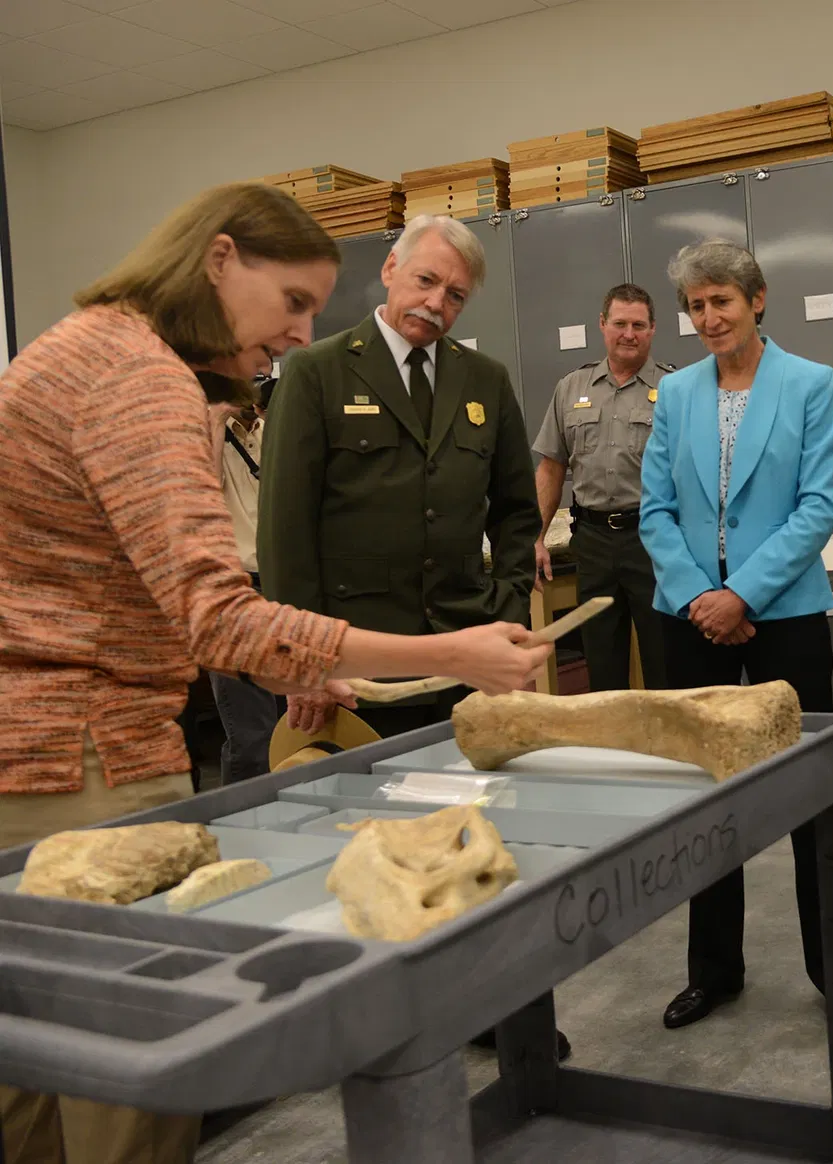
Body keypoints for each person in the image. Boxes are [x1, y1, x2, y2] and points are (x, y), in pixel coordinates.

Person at [0, 182, 547, 1164]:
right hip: (77, 757)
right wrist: (451, 654)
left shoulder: (89, 343)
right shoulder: (138, 377)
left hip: (35, 744)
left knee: (33, 1076)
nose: (297, 333)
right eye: (290, 301)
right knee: (133, 1070)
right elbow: (217, 609)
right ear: (219, 261)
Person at [639, 240, 833, 1032]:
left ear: (757, 299)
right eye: (696, 306)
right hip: (692, 620)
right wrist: (702, 595)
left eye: (721, 302)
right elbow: (655, 512)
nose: (708, 318)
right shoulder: (674, 396)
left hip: (785, 618)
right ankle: (714, 970)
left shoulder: (808, 385)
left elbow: (816, 507)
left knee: (812, 798)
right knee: (704, 798)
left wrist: (742, 593)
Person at [258, 214, 541, 738]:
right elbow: (284, 531)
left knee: (476, 806)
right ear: (391, 268)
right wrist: (303, 662)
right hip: (357, 663)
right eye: (427, 281)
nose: (437, 304)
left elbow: (517, 513)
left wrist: (509, 614)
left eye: (456, 296)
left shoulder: (486, 380)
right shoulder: (317, 372)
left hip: (467, 657)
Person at [532, 283, 672, 691]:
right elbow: (551, 468)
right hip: (591, 542)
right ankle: (613, 753)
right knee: (602, 661)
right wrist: (537, 538)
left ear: (652, 329)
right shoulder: (571, 388)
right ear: (602, 325)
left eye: (639, 325)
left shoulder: (674, 389)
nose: (629, 333)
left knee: (664, 659)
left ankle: (668, 752)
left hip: (653, 541)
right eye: (620, 323)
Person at [207, 375, 283, 784]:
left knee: (299, 722)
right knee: (252, 735)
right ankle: (242, 823)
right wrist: (216, 417)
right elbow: (201, 486)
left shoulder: (274, 428)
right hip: (235, 589)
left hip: (283, 584)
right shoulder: (205, 429)